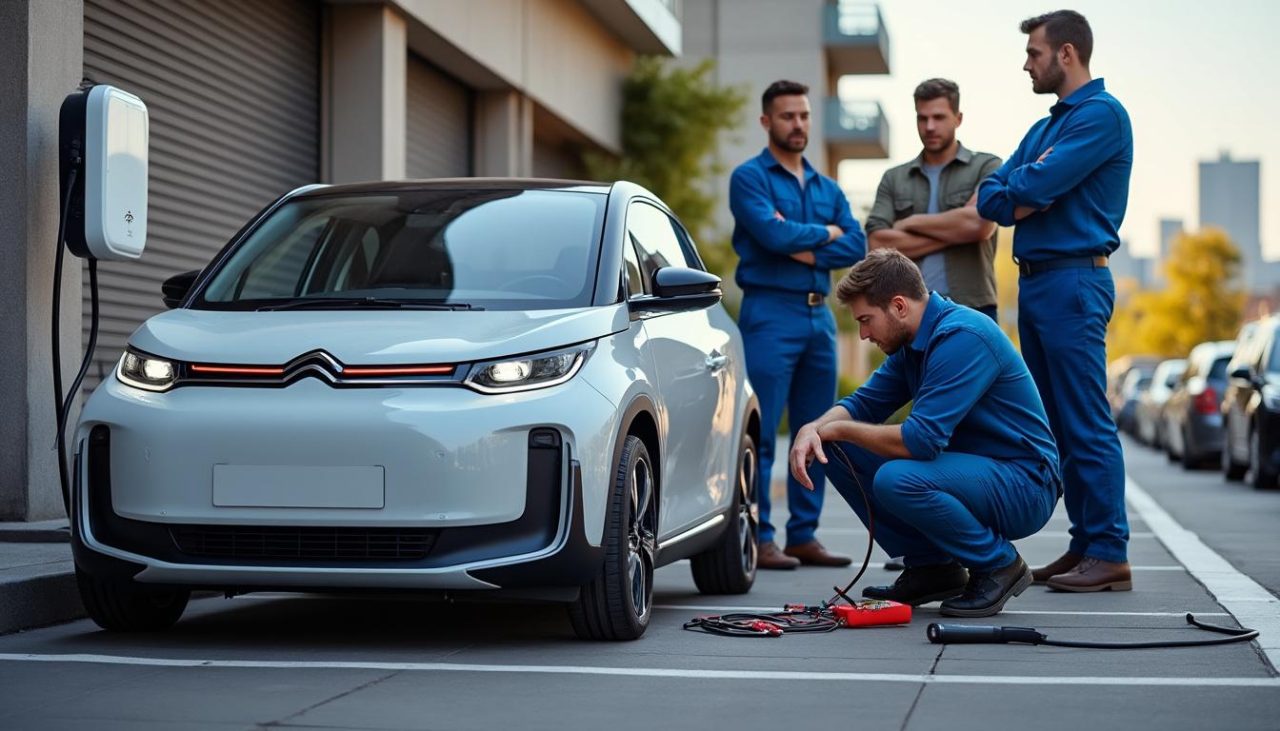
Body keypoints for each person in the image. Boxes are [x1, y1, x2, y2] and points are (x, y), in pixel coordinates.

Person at [789, 250, 1060, 617]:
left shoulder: (963, 336)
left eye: (867, 320)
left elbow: (920, 440)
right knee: (831, 446)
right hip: (976, 473)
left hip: (1024, 484)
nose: (864, 333)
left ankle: (1000, 564)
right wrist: (814, 429)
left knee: (897, 478)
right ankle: (932, 568)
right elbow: (863, 403)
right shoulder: (912, 344)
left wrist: (837, 427)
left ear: (899, 306)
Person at [977, 10, 1134, 592]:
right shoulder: (1046, 129)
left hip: (1074, 281)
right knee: (1059, 425)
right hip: (1038, 283)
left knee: (1086, 421)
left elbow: (1033, 187)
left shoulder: (1101, 117)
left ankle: (1110, 552)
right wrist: (1025, 194)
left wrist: (1029, 192)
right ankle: (1085, 543)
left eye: (1034, 53)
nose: (1027, 63)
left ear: (1066, 54)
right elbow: (991, 198)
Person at [729, 80, 867, 569]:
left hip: (819, 315)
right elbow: (769, 233)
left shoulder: (827, 187)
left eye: (804, 115)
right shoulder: (749, 179)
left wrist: (799, 240)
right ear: (767, 121)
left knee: (819, 429)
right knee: (762, 431)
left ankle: (803, 534)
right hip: (770, 312)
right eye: (788, 116)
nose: (799, 124)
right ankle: (760, 536)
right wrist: (821, 235)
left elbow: (856, 244)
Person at [866, 79, 1001, 320]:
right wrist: (959, 232)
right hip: (910, 310)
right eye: (922, 118)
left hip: (973, 307)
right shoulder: (894, 178)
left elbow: (981, 226)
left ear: (958, 118)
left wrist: (911, 222)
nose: (929, 126)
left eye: (938, 117)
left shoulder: (987, 166)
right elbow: (877, 244)